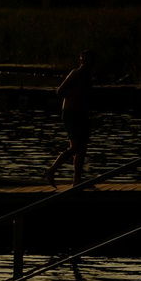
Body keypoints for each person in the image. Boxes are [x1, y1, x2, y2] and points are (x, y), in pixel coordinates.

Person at [44, 51, 96, 186]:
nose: (88, 63)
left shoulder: (88, 77)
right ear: (81, 61)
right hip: (71, 113)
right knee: (76, 146)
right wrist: (74, 95)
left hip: (82, 114)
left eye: (91, 60)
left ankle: (76, 181)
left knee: (82, 148)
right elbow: (60, 91)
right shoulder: (76, 73)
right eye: (86, 60)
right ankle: (51, 170)